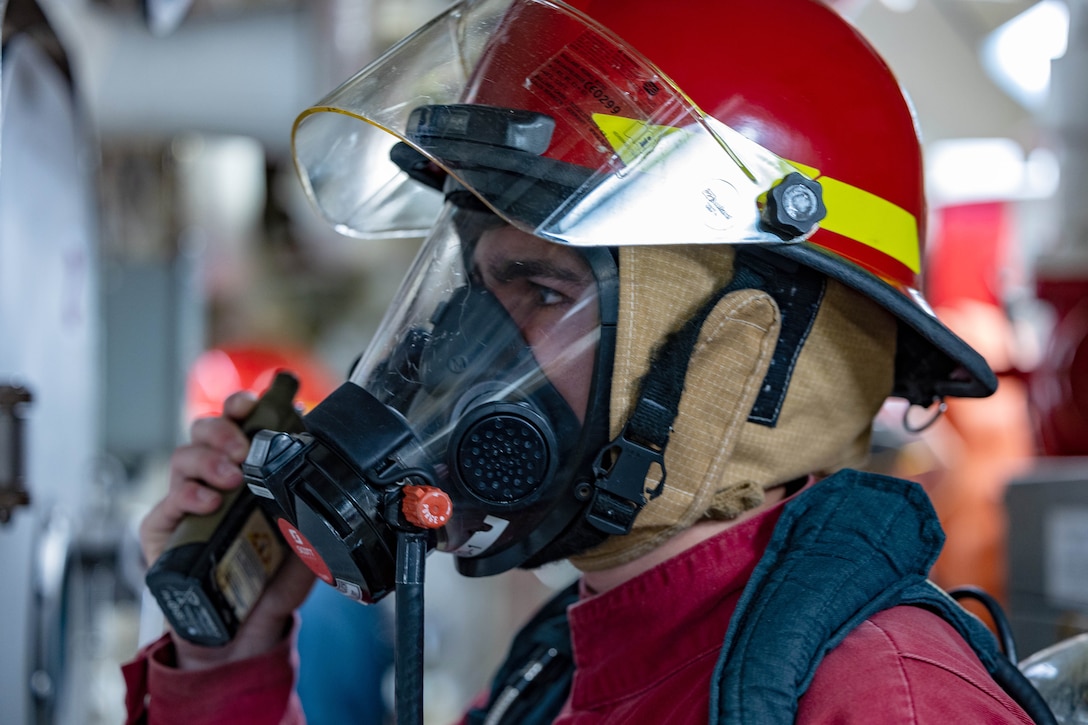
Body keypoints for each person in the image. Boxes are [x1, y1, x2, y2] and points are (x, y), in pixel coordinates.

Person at [122, 0, 1051, 722]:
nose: (456, 355)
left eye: (544, 291)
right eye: (471, 287)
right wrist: (227, 660)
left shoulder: (877, 699)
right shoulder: (569, 665)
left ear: (743, 363)